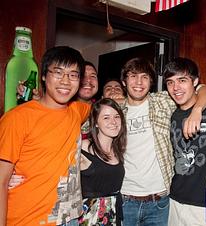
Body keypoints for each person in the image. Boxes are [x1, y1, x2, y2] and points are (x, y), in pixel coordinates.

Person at [0, 46, 91, 225]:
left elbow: (104, 108)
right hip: (27, 220)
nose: (65, 81)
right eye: (58, 72)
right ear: (43, 76)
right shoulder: (17, 118)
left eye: (73, 75)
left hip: (70, 218)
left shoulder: (77, 111)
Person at [119, 57, 206, 226]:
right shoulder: (115, 111)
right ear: (124, 81)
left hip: (161, 201)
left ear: (152, 82)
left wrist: (197, 110)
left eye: (145, 77)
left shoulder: (163, 101)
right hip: (126, 199)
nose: (139, 82)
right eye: (133, 76)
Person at [163, 57, 206, 226]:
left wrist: (197, 110)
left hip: (203, 204)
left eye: (182, 80)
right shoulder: (172, 114)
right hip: (174, 199)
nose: (175, 88)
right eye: (170, 82)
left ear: (195, 82)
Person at [79, 98, 126, 226]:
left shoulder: (117, 149)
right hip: (89, 217)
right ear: (96, 123)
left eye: (117, 116)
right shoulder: (84, 147)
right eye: (106, 117)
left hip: (113, 214)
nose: (113, 122)